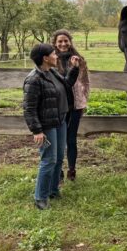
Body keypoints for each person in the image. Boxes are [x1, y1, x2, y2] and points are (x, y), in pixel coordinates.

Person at [23, 43, 79, 210]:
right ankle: (40, 197)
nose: (56, 56)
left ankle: (53, 191)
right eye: (54, 54)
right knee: (49, 160)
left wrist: (74, 68)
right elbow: (29, 108)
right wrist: (37, 131)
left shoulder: (52, 72)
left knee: (59, 158)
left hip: (60, 121)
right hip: (47, 125)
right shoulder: (34, 79)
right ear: (45, 58)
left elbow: (67, 84)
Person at [51, 29, 90, 183]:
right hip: (58, 106)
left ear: (70, 42)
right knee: (57, 140)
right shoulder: (51, 60)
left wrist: (84, 100)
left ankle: (72, 170)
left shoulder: (79, 60)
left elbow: (85, 82)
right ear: (55, 43)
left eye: (66, 41)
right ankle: (58, 170)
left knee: (71, 139)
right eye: (60, 41)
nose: (63, 44)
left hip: (75, 106)